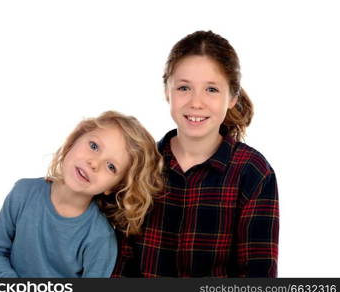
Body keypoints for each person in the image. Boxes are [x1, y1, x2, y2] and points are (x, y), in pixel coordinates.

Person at [112, 30, 279, 277]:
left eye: (211, 89)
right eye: (183, 88)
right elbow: (119, 262)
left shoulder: (253, 172)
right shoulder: (140, 163)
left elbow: (258, 275)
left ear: (232, 97)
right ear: (167, 91)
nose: (196, 103)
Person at [0, 111, 163, 278]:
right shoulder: (23, 193)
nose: (94, 163)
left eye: (111, 166)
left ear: (114, 187)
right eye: (93, 146)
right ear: (73, 141)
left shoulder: (100, 237)